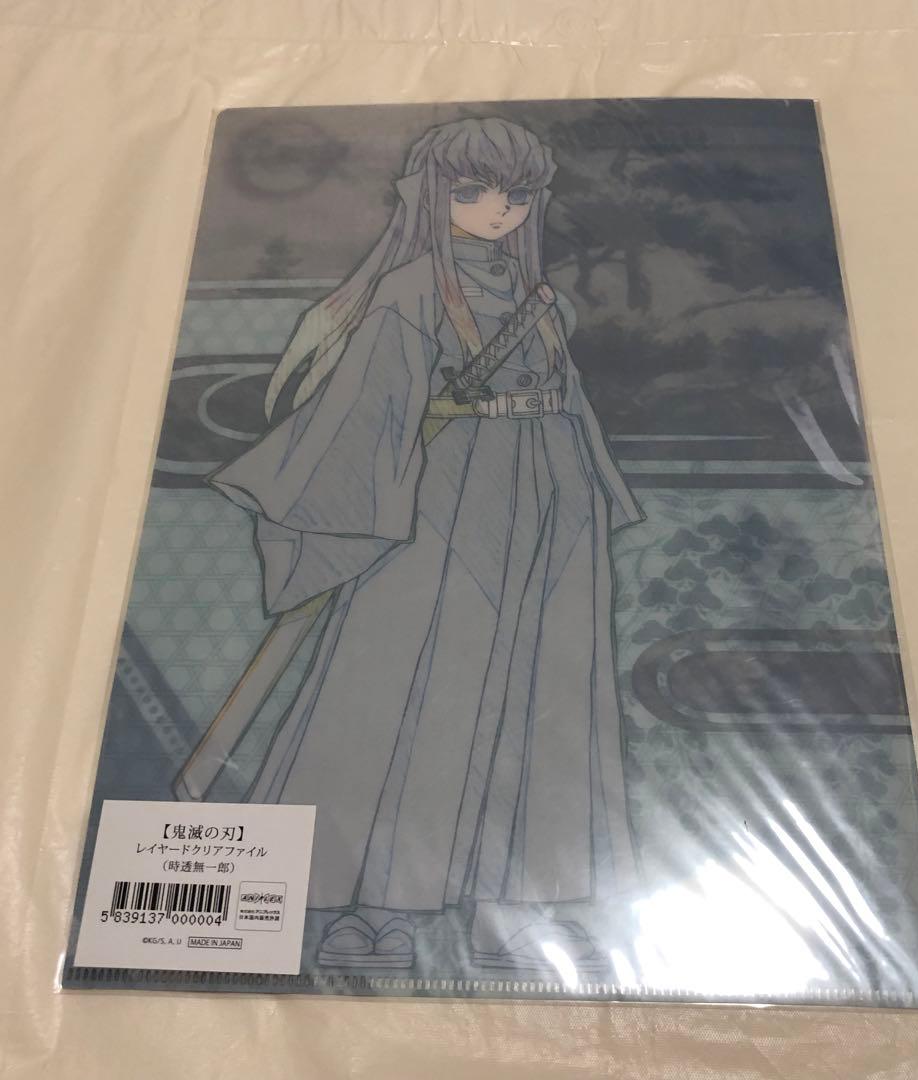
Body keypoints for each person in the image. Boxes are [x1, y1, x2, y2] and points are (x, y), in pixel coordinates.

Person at [204, 117, 644, 974]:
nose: (497, 210)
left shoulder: (545, 301)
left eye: (516, 194)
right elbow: (363, 414)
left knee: (542, 693)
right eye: (473, 191)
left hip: (552, 501)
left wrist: (591, 498)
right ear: (433, 194)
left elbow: (571, 405)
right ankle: (378, 906)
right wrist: (343, 514)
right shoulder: (407, 293)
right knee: (409, 687)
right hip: (442, 501)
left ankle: (512, 905)